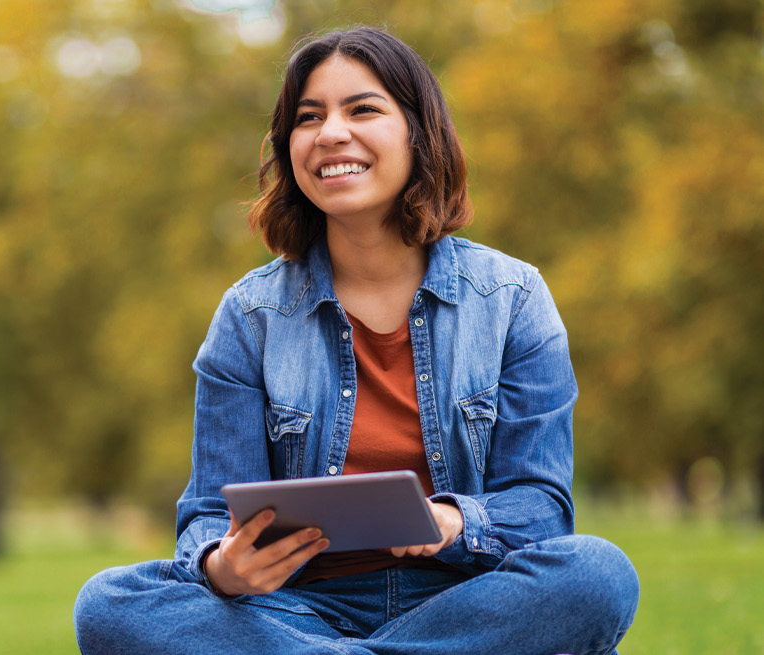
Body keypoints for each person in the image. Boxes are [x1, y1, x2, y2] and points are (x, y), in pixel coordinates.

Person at [74, 25, 639, 655]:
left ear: (418, 134)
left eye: (363, 108)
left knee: (596, 572)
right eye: (308, 117)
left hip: (464, 601)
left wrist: (454, 522)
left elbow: (542, 508)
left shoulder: (513, 298)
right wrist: (220, 566)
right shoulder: (250, 314)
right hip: (293, 612)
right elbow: (209, 512)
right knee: (108, 604)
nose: (331, 133)